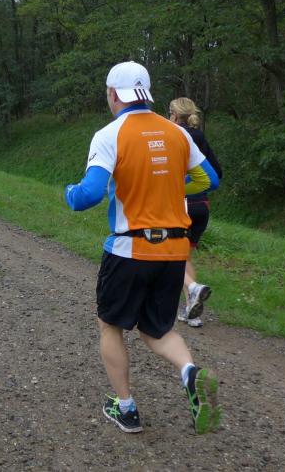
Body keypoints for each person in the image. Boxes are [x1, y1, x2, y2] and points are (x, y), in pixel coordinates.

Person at [64, 61, 220, 435]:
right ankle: (190, 372)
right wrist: (170, 187)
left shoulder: (110, 134)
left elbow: (89, 195)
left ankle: (127, 409)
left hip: (129, 250)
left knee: (110, 325)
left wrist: (69, 193)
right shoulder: (177, 133)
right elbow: (209, 180)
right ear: (146, 94)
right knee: (158, 329)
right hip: (174, 252)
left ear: (113, 94)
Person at [169, 97, 223, 327]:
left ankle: (192, 289)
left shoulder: (172, 135)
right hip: (202, 206)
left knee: (168, 253)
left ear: (173, 114)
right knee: (184, 256)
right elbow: (217, 173)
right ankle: (192, 309)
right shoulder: (200, 137)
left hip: (181, 203)